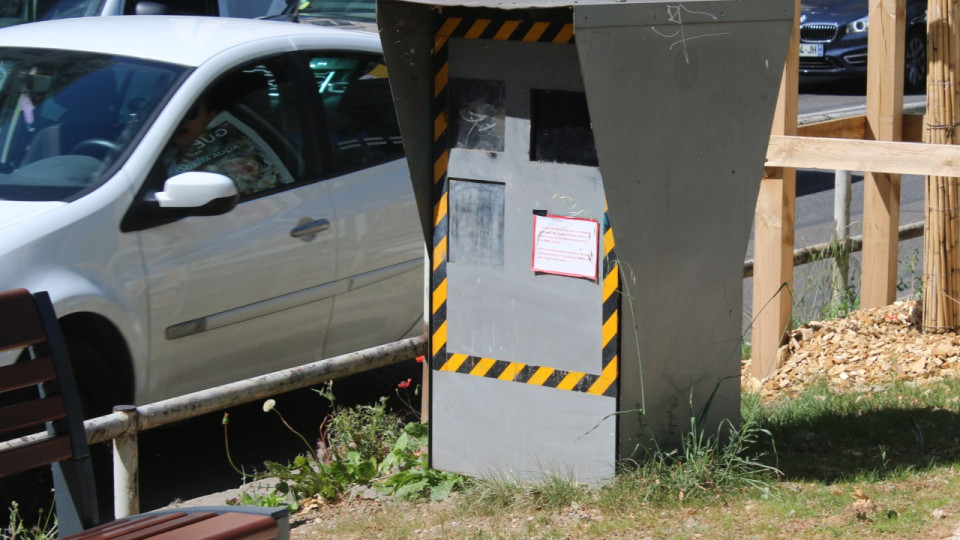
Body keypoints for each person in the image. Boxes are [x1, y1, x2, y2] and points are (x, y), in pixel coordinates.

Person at [163, 74, 294, 195]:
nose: (182, 121)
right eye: (175, 113)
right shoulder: (162, 154)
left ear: (211, 117)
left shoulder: (232, 162)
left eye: (191, 113)